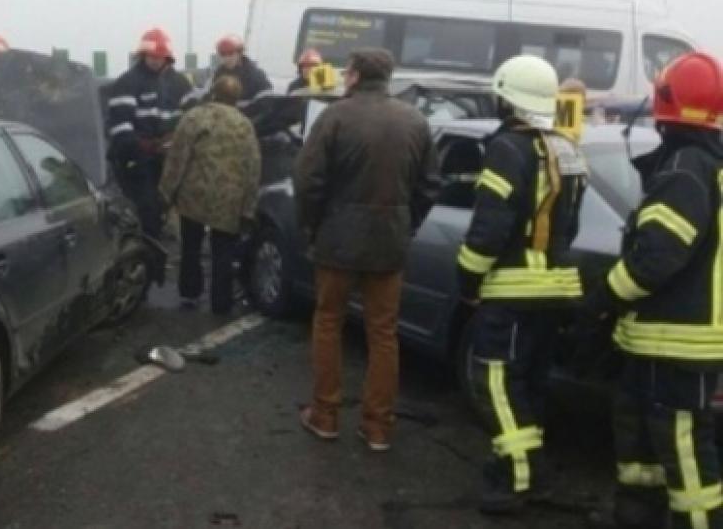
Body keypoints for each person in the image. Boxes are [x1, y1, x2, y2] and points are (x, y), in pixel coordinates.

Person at [588, 52, 723, 529]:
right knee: (643, 450)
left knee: (686, 457)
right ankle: (637, 518)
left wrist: (603, 297)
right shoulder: (707, 166)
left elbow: (655, 259)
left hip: (675, 346)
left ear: (664, 103)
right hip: (668, 345)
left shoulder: (685, 170)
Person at [455, 55, 588, 515]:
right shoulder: (567, 147)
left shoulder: (507, 148)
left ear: (507, 98)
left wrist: (468, 278)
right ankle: (532, 471)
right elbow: (570, 225)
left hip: (513, 290)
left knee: (494, 380)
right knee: (529, 384)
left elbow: (490, 228)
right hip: (556, 288)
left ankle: (517, 477)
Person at [294, 48, 438, 452]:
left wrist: (311, 225)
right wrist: (405, 222)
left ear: (355, 75)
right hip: (389, 241)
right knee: (383, 332)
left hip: (337, 238)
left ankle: (325, 414)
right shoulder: (414, 120)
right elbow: (430, 185)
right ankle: (378, 425)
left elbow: (308, 180)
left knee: (328, 322)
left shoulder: (335, 116)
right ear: (387, 77)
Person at [159, 75, 260, 314]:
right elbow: (253, 166)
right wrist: (248, 207)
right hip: (229, 199)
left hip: (194, 194)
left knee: (191, 246)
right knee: (223, 252)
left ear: (213, 93)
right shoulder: (245, 125)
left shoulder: (194, 117)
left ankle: (190, 293)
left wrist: (166, 192)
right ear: (237, 98)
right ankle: (221, 303)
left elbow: (177, 157)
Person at [106, 28, 193, 248]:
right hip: (137, 159)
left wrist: (175, 140)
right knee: (148, 207)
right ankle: (150, 250)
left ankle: (170, 248)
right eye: (151, 56)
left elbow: (192, 118)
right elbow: (120, 127)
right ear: (142, 55)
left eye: (159, 57)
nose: (155, 61)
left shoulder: (180, 84)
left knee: (182, 206)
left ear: (167, 57)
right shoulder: (127, 83)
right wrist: (146, 146)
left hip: (171, 157)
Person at [214, 34, 277, 135]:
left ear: (240, 53)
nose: (227, 58)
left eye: (230, 53)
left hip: (249, 128)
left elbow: (266, 105)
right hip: (223, 128)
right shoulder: (217, 75)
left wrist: (248, 125)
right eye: (223, 54)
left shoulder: (256, 76)